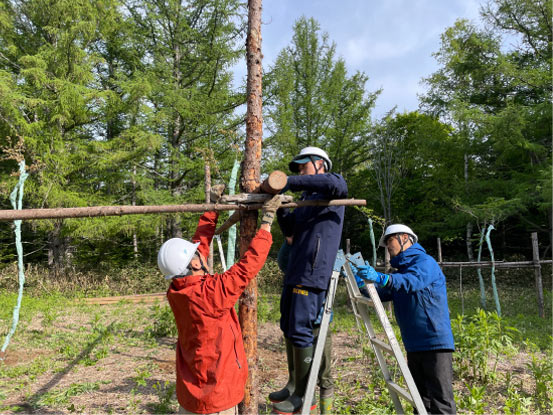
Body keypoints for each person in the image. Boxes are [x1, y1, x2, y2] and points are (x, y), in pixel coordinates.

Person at [158, 187, 282, 415]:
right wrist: (266, 222)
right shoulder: (212, 293)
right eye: (196, 255)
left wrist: (212, 210)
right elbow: (248, 266)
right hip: (216, 399)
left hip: (190, 396)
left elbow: (200, 245)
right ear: (195, 264)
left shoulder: (176, 290)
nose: (200, 254)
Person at [270, 147, 347, 414]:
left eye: (304, 166)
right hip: (296, 270)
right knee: (288, 326)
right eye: (298, 168)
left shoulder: (332, 188)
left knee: (302, 330)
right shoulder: (306, 200)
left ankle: (305, 394)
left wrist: (286, 182)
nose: (300, 171)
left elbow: (335, 183)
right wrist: (280, 209)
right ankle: (293, 385)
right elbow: (291, 234)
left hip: (313, 273)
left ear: (320, 164)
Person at [355, 224, 456, 415]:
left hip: (435, 342)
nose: (388, 247)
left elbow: (411, 282)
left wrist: (381, 277)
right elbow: (382, 293)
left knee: (441, 401)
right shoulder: (400, 271)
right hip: (413, 343)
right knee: (420, 400)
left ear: (404, 238)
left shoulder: (426, 263)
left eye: (389, 240)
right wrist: (361, 284)